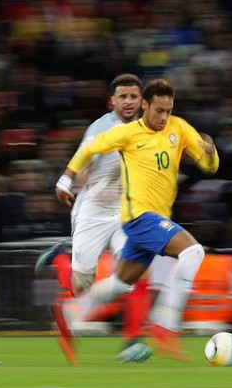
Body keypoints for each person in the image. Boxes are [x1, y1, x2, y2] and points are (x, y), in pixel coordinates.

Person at [55, 78, 219, 361]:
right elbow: (89, 149)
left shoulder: (178, 128)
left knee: (122, 283)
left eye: (168, 110)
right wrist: (65, 180)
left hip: (154, 217)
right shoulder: (127, 133)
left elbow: (209, 166)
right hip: (137, 217)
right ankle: (165, 326)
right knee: (192, 252)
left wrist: (210, 150)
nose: (164, 117)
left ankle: (71, 314)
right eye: (159, 110)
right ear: (146, 105)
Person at [35, 74, 154, 364]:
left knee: (138, 272)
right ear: (112, 100)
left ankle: (131, 343)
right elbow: (83, 161)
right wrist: (68, 181)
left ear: (142, 101)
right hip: (95, 211)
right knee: (81, 287)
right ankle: (60, 259)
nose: (128, 101)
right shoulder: (101, 129)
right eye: (122, 96)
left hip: (127, 213)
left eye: (133, 96)